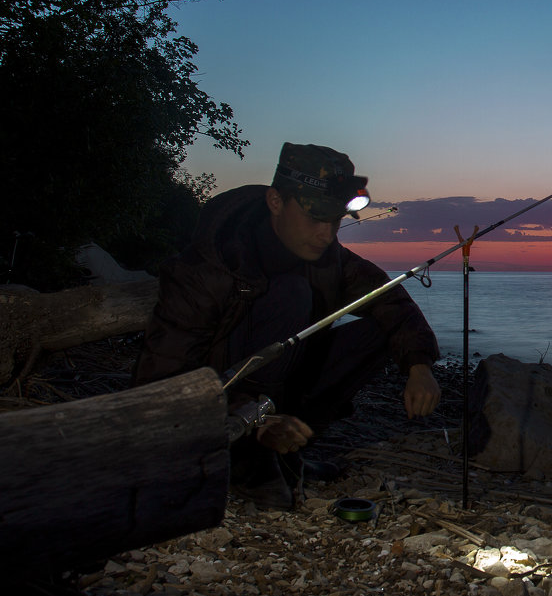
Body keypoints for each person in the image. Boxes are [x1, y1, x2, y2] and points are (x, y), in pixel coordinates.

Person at [134, 142, 441, 508]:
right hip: (220, 406)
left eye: (335, 219)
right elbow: (161, 380)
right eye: (315, 217)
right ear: (275, 202)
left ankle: (285, 452)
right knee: (292, 294)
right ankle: (248, 459)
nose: (326, 234)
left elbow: (387, 296)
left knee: (378, 330)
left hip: (279, 393)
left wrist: (419, 364)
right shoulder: (206, 269)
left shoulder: (328, 256)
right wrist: (245, 415)